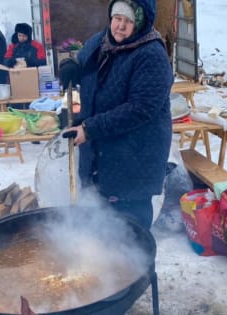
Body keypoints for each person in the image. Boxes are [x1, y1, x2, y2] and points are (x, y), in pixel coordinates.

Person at [59, 0, 174, 230]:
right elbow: (82, 64)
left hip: (133, 161)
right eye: (117, 18)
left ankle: (141, 268)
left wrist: (90, 128)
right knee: (100, 237)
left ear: (140, 23)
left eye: (129, 21)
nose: (120, 26)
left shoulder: (151, 55)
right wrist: (71, 66)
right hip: (100, 158)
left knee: (131, 239)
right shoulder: (99, 43)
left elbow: (140, 109)